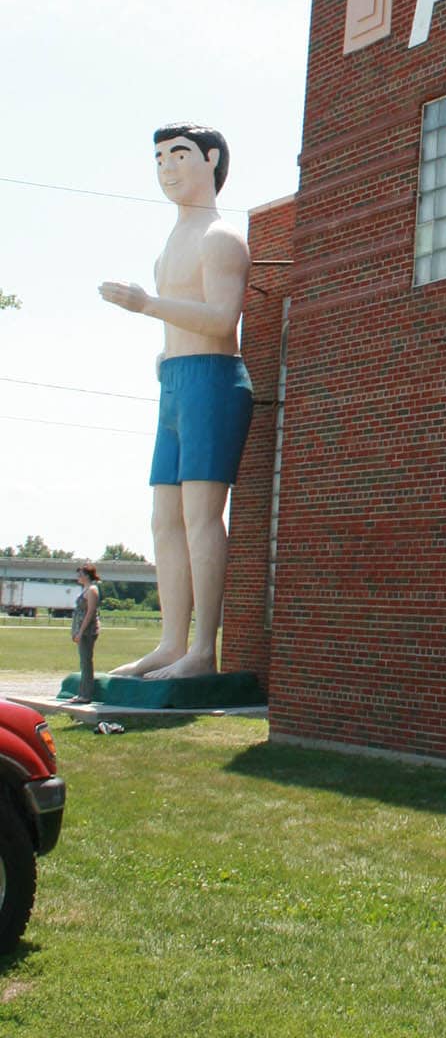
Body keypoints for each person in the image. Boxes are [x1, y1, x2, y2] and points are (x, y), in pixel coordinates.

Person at [99, 124, 252, 680]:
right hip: (176, 384)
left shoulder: (221, 237)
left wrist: (147, 304)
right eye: (160, 156)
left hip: (213, 379)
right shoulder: (169, 245)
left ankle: (201, 651)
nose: (167, 166)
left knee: (200, 515)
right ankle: (170, 641)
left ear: (211, 160)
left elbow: (221, 319)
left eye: (179, 154)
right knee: (164, 518)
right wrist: (165, 353)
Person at [70, 566, 100, 700]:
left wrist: (81, 632)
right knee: (83, 662)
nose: (78, 577)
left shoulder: (92, 590)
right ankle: (82, 693)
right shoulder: (85, 589)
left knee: (86, 662)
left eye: (80, 574)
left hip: (88, 631)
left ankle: (86, 695)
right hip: (81, 629)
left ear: (87, 575)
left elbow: (90, 612)